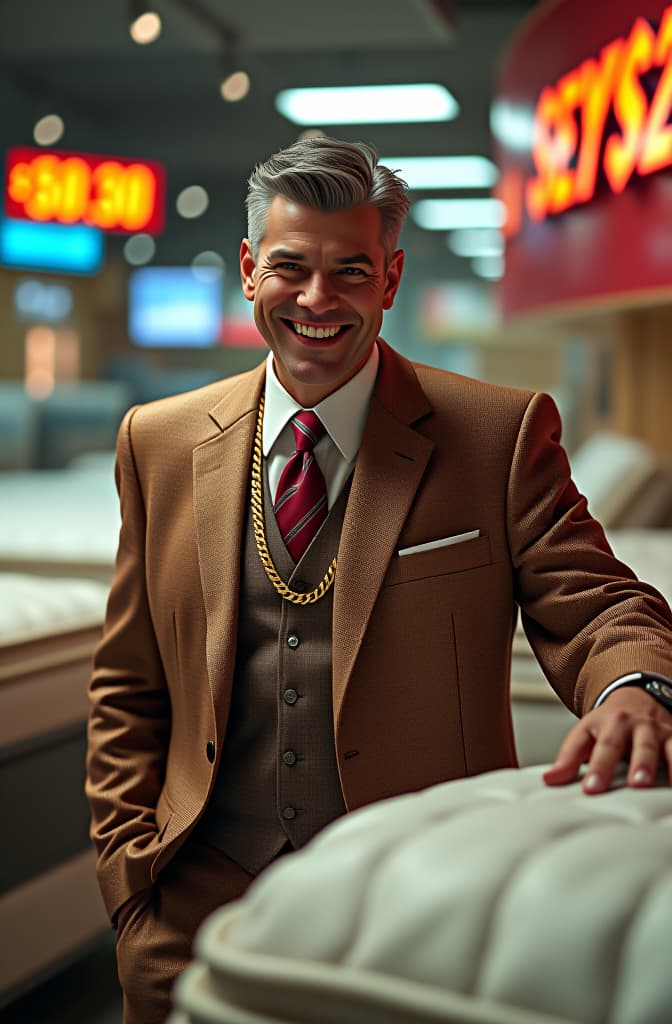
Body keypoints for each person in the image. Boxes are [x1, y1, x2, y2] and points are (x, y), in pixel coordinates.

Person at [86, 136, 672, 1023]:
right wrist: (132, 884)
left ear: (390, 280)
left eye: (350, 272)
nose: (318, 300)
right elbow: (130, 682)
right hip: (187, 906)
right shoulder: (156, 441)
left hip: (418, 905)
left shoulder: (497, 434)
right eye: (290, 267)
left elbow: (600, 604)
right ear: (249, 270)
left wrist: (636, 687)